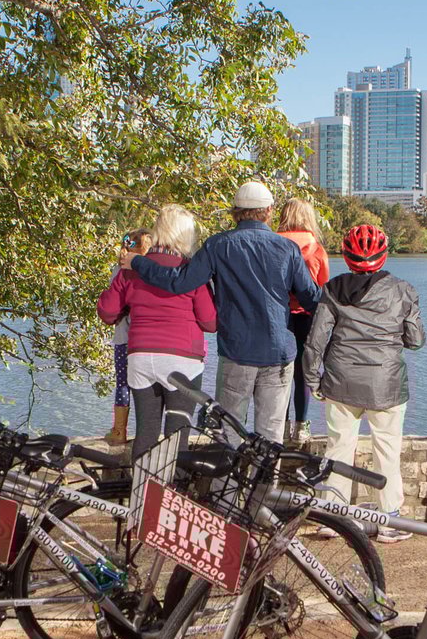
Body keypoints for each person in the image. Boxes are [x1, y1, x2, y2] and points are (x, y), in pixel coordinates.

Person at [119, 180, 320, 444]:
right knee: (271, 438)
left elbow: (178, 281)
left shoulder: (218, 246)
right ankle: (265, 487)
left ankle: (228, 485)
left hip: (237, 352)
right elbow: (312, 298)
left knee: (229, 432)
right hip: (278, 353)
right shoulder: (288, 249)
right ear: (269, 211)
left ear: (235, 211)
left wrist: (138, 262)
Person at [302, 224, 424, 544]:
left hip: (340, 381)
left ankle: (333, 516)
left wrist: (313, 379)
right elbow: (416, 340)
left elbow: (315, 342)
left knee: (339, 447)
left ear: (346, 256)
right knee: (387, 449)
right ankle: (389, 520)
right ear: (383, 255)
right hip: (386, 384)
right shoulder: (402, 290)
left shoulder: (332, 289)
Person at [98, 206, 216, 458]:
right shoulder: (190, 271)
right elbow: (210, 322)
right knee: (177, 438)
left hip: (141, 358)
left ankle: (140, 492)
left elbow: (107, 312)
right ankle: (172, 494)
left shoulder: (132, 268)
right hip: (183, 361)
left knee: (146, 433)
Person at [277, 197, 330, 442]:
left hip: (280, 315)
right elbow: (323, 289)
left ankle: (282, 425)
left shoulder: (274, 246)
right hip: (308, 317)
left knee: (280, 372)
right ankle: (302, 426)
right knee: (304, 372)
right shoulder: (317, 249)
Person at [103, 228, 150, 444]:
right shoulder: (151, 269)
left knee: (122, 383)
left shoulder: (119, 269)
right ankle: (144, 431)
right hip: (144, 339)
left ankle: (119, 431)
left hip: (123, 337)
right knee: (146, 386)